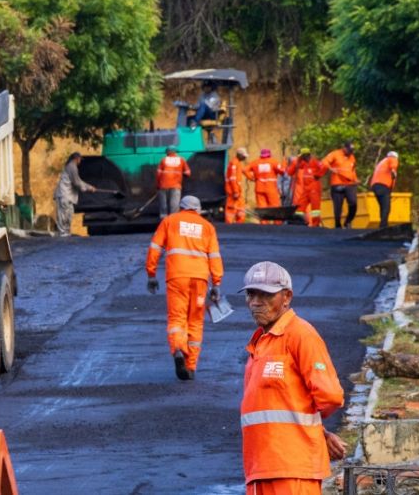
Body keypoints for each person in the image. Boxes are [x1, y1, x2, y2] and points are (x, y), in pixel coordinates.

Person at [240, 261, 347, 495]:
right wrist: (318, 432)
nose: (256, 302)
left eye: (266, 295)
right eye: (251, 294)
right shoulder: (260, 342)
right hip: (262, 468)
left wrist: (311, 430)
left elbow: (330, 396)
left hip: (292, 470)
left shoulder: (300, 335)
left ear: (286, 297)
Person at [145, 195, 223, 381]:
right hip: (200, 279)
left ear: (180, 207)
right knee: (195, 321)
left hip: (177, 277)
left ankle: (179, 349)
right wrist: (217, 283)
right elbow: (214, 256)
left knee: (177, 318)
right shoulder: (207, 227)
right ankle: (191, 366)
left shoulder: (170, 221)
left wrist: (151, 274)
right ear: (198, 210)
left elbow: (155, 248)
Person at [54, 152, 96, 237]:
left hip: (68, 196)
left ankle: (66, 233)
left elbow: (78, 181)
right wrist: (89, 188)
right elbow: (77, 182)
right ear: (76, 158)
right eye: (80, 159)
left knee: (69, 214)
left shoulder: (72, 166)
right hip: (64, 194)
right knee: (63, 215)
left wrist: (88, 186)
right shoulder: (72, 166)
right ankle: (62, 233)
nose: (80, 161)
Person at [321, 141, 358, 229]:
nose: (350, 152)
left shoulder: (352, 157)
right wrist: (331, 168)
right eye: (349, 150)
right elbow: (324, 161)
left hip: (350, 183)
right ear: (344, 148)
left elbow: (353, 169)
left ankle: (348, 221)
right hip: (337, 183)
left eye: (351, 150)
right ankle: (338, 224)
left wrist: (355, 178)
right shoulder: (335, 154)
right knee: (337, 207)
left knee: (353, 203)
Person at [244, 148, 283, 224]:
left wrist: (251, 178)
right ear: (269, 155)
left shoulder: (255, 162)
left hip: (259, 187)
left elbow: (244, 170)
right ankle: (277, 223)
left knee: (262, 207)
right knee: (274, 206)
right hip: (271, 188)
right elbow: (282, 171)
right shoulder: (273, 162)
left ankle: (264, 224)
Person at [287, 148, 324, 227]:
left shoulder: (315, 162)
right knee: (299, 207)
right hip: (306, 189)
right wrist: (298, 160)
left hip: (314, 189)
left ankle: (315, 225)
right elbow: (290, 172)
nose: (301, 158)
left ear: (306, 155)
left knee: (315, 209)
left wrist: (317, 175)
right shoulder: (303, 163)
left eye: (302, 156)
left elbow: (324, 167)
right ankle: (299, 223)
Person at [156, 146, 191, 217]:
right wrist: (182, 173)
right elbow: (188, 173)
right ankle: (173, 218)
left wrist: (158, 185)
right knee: (174, 204)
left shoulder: (163, 160)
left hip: (163, 186)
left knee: (163, 203)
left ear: (167, 152)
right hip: (176, 186)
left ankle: (163, 218)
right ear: (175, 152)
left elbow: (158, 174)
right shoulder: (181, 160)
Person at [370, 151, 399, 229]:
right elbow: (393, 164)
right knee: (386, 207)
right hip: (383, 185)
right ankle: (383, 227)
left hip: (375, 186)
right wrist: (393, 170)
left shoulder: (381, 163)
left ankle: (382, 225)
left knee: (383, 206)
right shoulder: (392, 159)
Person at [225, 147, 248, 224]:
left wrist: (251, 177)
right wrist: (235, 191)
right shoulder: (234, 163)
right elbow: (232, 178)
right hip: (233, 191)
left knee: (240, 208)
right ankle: (229, 225)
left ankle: (240, 224)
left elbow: (243, 171)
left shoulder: (237, 163)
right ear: (239, 155)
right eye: (244, 156)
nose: (245, 158)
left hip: (237, 191)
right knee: (231, 208)